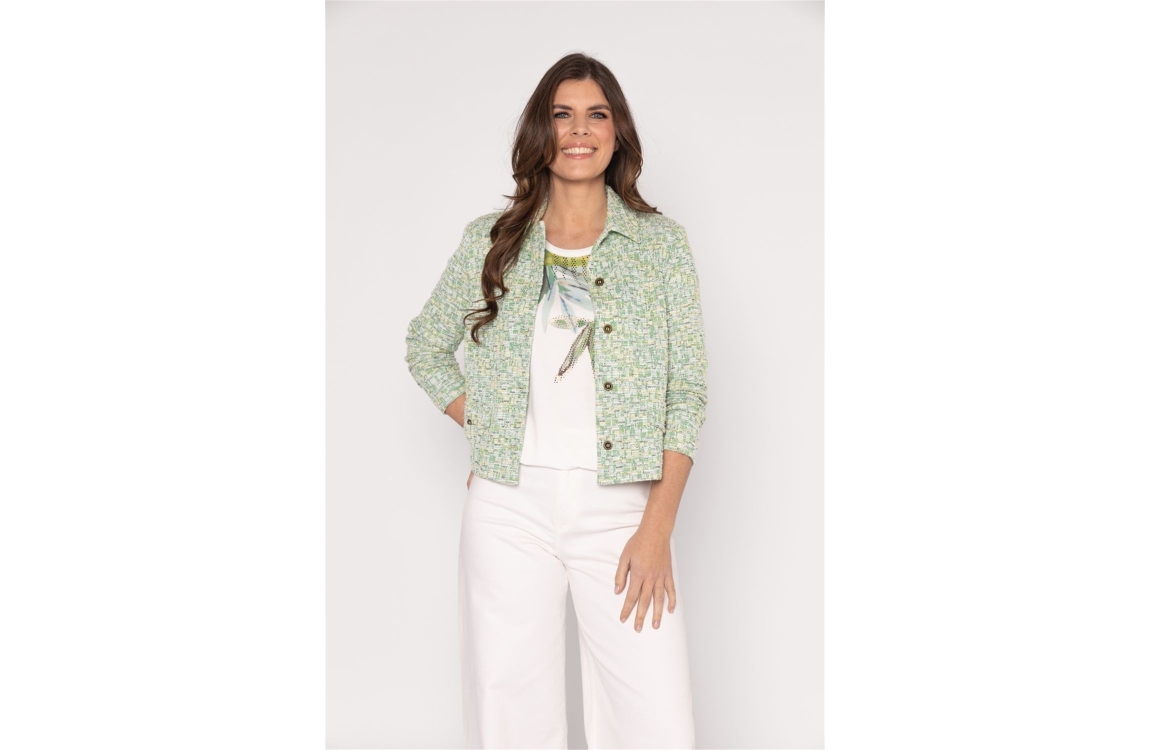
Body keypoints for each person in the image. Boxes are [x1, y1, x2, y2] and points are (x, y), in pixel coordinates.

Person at [404, 52, 708, 749]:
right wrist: (487, 428)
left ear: (616, 132)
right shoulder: (493, 240)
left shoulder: (660, 245)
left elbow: (686, 392)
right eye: (561, 114)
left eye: (596, 114)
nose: (579, 130)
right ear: (541, 132)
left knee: (655, 719)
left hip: (622, 507)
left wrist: (657, 527)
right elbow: (425, 345)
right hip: (508, 508)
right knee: (509, 711)